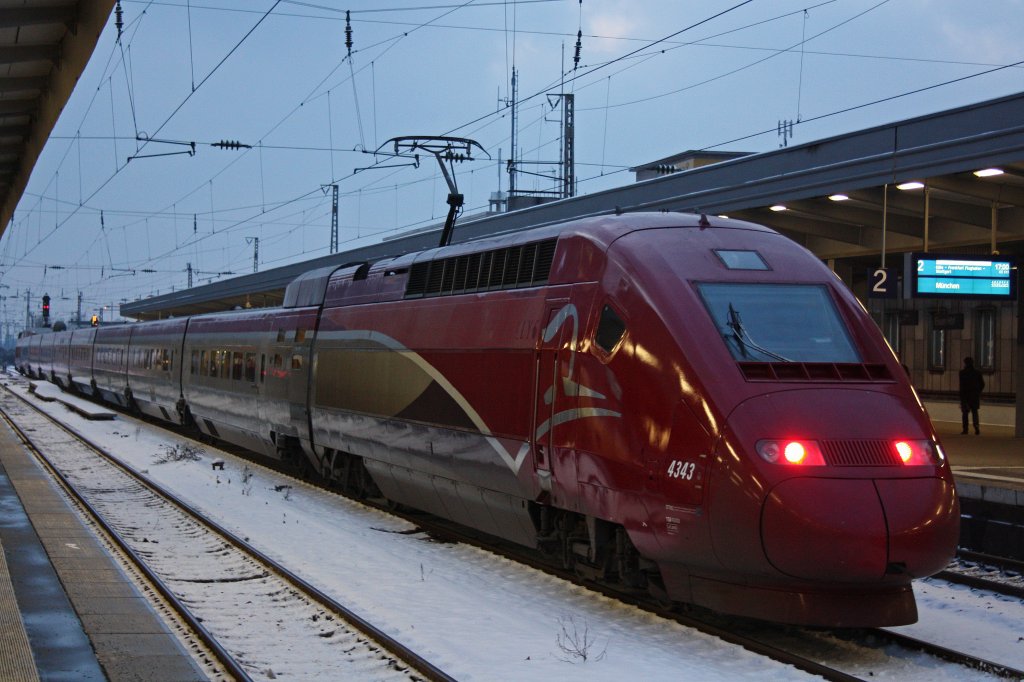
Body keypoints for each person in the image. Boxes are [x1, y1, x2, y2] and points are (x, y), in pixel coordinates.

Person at [959, 357, 985, 435]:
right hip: (974, 396)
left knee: (965, 413)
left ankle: (965, 429)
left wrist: (962, 397)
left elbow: (962, 386)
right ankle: (976, 427)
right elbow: (982, 384)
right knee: (974, 412)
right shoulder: (977, 373)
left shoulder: (962, 373)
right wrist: (978, 391)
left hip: (965, 396)